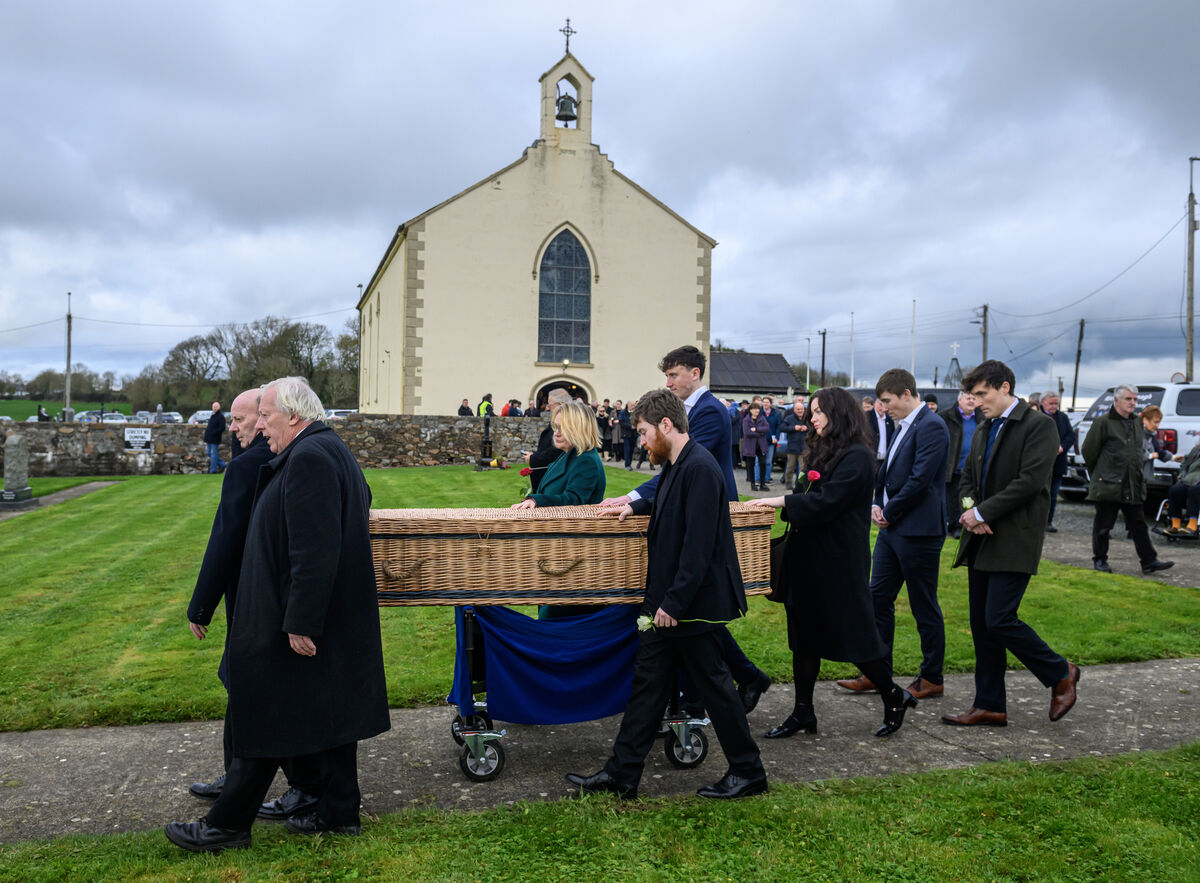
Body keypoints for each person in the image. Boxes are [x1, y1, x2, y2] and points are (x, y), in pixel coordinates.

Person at [166, 377, 389, 853]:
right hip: (320, 612)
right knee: (329, 713)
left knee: (263, 712)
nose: (259, 427)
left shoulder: (308, 457)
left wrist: (301, 620)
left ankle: (226, 825)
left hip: (296, 615)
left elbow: (314, 550)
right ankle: (338, 812)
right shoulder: (328, 448)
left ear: (292, 414)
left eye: (265, 416)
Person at [568, 388, 767, 801]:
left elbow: (698, 548)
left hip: (689, 605)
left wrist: (672, 605)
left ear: (665, 425)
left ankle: (749, 772)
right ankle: (622, 775)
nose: (640, 441)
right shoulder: (681, 464)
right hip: (670, 602)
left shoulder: (701, 468)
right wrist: (635, 507)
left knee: (714, 687)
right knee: (648, 687)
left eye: (642, 432)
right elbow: (665, 495)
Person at [600, 346, 771, 713]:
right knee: (699, 626)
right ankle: (728, 684)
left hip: (706, 508)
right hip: (688, 506)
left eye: (674, 374)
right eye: (667, 376)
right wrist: (637, 503)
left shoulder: (709, 412)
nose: (669, 381)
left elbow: (684, 468)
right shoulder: (690, 411)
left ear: (695, 373)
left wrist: (635, 495)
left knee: (699, 618)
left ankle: (703, 697)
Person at [748, 387, 918, 739]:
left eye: (818, 412)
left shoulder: (857, 456)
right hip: (807, 558)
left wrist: (776, 502)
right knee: (804, 638)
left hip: (838, 563)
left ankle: (893, 695)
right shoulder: (824, 450)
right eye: (811, 412)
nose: (812, 418)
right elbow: (806, 493)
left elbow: (827, 502)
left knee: (853, 637)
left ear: (837, 414)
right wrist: (790, 500)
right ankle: (803, 713)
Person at [185, 389, 322, 822]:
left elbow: (225, 538)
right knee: (248, 682)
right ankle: (245, 777)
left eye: (243, 420)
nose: (237, 428)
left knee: (250, 684)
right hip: (275, 592)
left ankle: (273, 781)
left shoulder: (251, 465)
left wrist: (200, 606)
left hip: (255, 592)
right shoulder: (289, 454)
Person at [943, 360, 1080, 729]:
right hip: (980, 539)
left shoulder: (1040, 426)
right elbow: (967, 478)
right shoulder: (986, 426)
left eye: (982, 394)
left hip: (1014, 538)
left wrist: (984, 514)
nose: (976, 403)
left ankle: (1060, 671)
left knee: (999, 619)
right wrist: (972, 512)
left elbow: (1030, 482)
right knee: (982, 626)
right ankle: (989, 704)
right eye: (972, 396)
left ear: (1005, 388)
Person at [836, 369, 949, 701]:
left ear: (907, 394)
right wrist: (875, 501)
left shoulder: (931, 426)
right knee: (877, 599)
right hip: (893, 529)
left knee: (923, 605)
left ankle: (932, 677)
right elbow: (885, 470)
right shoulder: (903, 426)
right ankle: (877, 672)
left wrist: (889, 510)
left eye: (887, 401)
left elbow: (920, 479)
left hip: (919, 532)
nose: (883, 409)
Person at [514, 400, 607, 619]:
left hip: (572, 556)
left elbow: (574, 501)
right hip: (558, 548)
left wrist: (537, 501)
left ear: (578, 428)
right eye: (555, 427)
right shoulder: (569, 454)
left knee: (553, 618)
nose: (556, 433)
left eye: (563, 428)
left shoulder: (586, 460)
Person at [1081, 385, 1173, 575]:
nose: (1133, 403)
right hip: (1108, 484)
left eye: (1135, 399)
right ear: (1117, 401)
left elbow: (1138, 452)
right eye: (1128, 399)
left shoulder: (1137, 423)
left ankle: (1149, 561)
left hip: (1132, 484)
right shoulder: (1103, 422)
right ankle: (1100, 560)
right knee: (1103, 526)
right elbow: (1088, 451)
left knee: (1138, 524)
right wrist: (1100, 474)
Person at [941, 391, 978, 538]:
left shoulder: (981, 417)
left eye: (974, 398)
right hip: (953, 467)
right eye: (968, 398)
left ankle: (967, 524)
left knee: (968, 498)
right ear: (959, 400)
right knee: (952, 499)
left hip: (972, 467)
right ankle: (954, 526)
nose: (971, 401)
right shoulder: (947, 416)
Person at [526, 388, 573, 493]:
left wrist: (534, 458)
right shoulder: (561, 420)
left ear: (560, 404)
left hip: (554, 478)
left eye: (550, 405)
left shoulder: (568, 423)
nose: (547, 408)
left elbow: (557, 450)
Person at [1041, 392, 1075, 533]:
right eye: (1051, 403)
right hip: (1041, 464)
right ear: (1043, 402)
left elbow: (1071, 435)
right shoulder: (1037, 417)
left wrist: (1062, 446)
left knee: (1053, 495)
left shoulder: (1062, 418)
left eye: (1056, 403)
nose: (1054, 406)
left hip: (1058, 463)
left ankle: (1048, 522)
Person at [1166, 444, 1200, 535]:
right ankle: (1175, 525)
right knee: (1175, 490)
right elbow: (1185, 462)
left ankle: (1192, 525)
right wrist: (1181, 475)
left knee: (1194, 490)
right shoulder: (1196, 449)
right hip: (1188, 478)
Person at [780, 395, 808, 489]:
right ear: (794, 410)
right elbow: (782, 428)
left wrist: (807, 428)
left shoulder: (807, 418)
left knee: (802, 469)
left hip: (804, 447)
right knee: (790, 468)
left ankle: (800, 485)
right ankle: (788, 483)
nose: (800, 411)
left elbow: (814, 429)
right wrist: (794, 428)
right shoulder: (789, 418)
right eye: (798, 409)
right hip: (792, 447)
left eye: (801, 409)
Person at [741, 402, 770, 492]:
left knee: (763, 464)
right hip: (750, 446)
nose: (756, 410)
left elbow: (767, 428)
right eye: (754, 409)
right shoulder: (746, 420)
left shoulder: (762, 418)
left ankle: (762, 484)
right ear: (750, 411)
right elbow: (747, 432)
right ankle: (753, 484)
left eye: (758, 409)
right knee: (750, 466)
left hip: (761, 446)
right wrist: (760, 434)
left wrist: (756, 429)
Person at [864, 396, 895, 471]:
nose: (883, 408)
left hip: (884, 460)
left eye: (885, 405)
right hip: (870, 459)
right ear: (875, 404)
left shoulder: (889, 419)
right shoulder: (867, 416)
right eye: (880, 405)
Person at [761, 395, 782, 485]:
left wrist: (777, 437)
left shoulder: (776, 413)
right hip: (760, 441)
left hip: (771, 441)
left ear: (771, 404)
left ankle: (767, 478)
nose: (765, 404)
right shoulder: (759, 413)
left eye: (767, 402)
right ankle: (758, 478)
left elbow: (778, 426)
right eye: (764, 402)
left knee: (769, 462)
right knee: (759, 461)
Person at [204, 402, 227, 474]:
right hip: (209, 438)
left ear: (219, 407)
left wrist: (213, 433)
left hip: (215, 438)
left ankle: (212, 470)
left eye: (216, 407)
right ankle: (222, 464)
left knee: (214, 455)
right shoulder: (213, 415)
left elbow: (222, 428)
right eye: (213, 407)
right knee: (209, 453)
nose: (214, 408)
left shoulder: (220, 416)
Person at [618, 400, 635, 469]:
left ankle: (630, 463)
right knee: (627, 449)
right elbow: (621, 422)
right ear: (628, 405)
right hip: (626, 434)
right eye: (632, 405)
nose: (633, 406)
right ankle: (627, 464)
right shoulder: (623, 412)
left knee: (632, 449)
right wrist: (630, 426)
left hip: (634, 434)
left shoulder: (635, 413)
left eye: (634, 405)